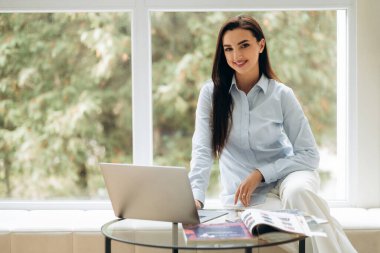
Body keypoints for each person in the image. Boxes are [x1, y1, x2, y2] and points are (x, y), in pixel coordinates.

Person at [188, 15, 357, 253]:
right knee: (312, 231)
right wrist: (195, 198)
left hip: (289, 178)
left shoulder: (281, 95)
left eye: (244, 45)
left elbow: (309, 155)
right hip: (247, 198)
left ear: (261, 45)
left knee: (300, 193)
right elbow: (202, 149)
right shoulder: (211, 94)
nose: (236, 55)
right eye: (229, 49)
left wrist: (262, 173)